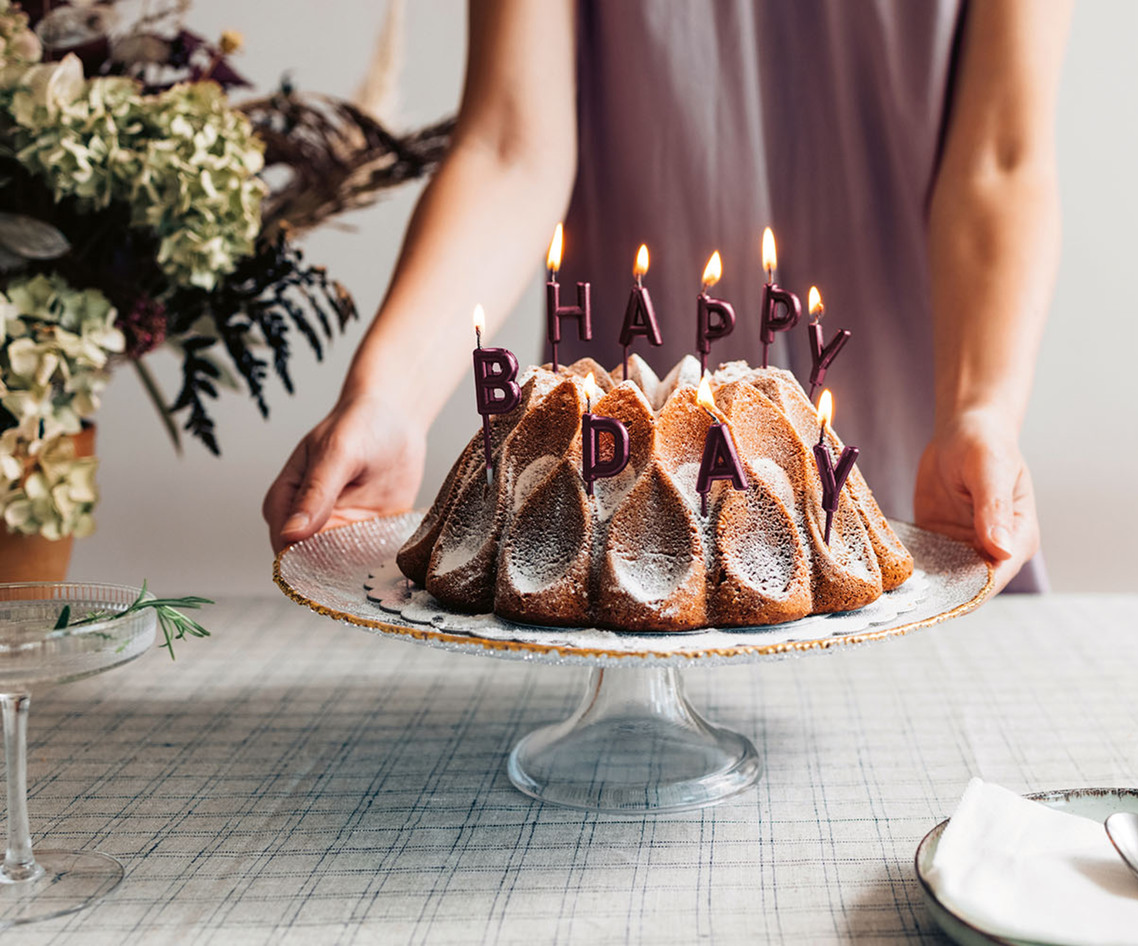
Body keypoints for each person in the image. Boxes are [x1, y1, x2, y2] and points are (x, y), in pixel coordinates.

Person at [263, 0, 1071, 595]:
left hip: (913, 466)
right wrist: (389, 398)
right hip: (625, 508)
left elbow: (1000, 160)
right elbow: (512, 143)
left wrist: (982, 414)